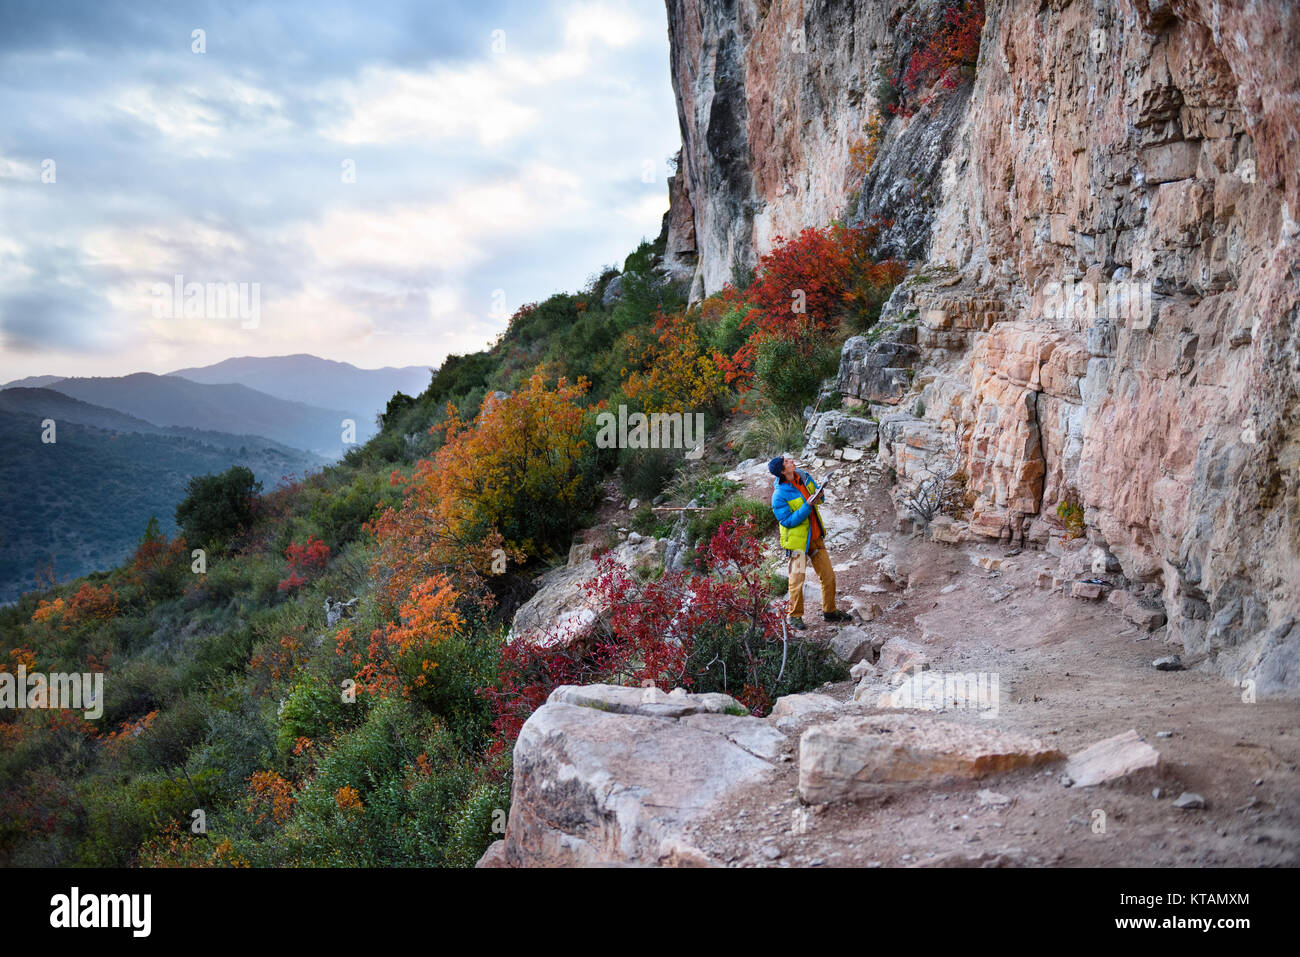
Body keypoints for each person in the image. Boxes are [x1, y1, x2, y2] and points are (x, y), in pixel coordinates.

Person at [768, 455, 852, 630]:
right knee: (796, 580)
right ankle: (795, 616)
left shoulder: (804, 476)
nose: (791, 460)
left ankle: (830, 612)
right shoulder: (779, 495)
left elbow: (819, 499)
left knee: (828, 576)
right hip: (797, 544)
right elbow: (787, 521)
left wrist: (820, 496)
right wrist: (807, 505)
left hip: (816, 538)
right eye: (786, 462)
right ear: (783, 472)